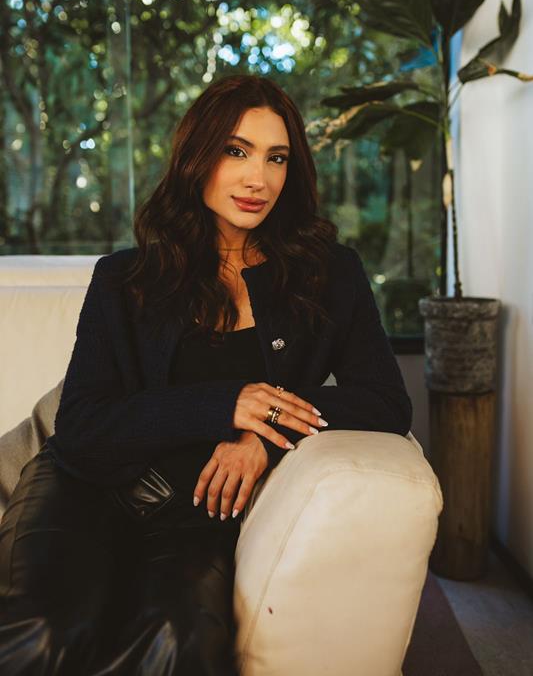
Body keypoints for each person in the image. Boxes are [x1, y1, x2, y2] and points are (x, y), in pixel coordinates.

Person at [0, 74, 413, 675]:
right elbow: (83, 427)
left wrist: (266, 432)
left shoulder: (329, 274)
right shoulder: (125, 277)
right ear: (197, 157)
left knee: (180, 641)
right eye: (236, 151)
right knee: (45, 636)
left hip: (198, 512)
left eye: (276, 158)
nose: (258, 179)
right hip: (83, 489)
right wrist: (228, 402)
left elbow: (385, 402)